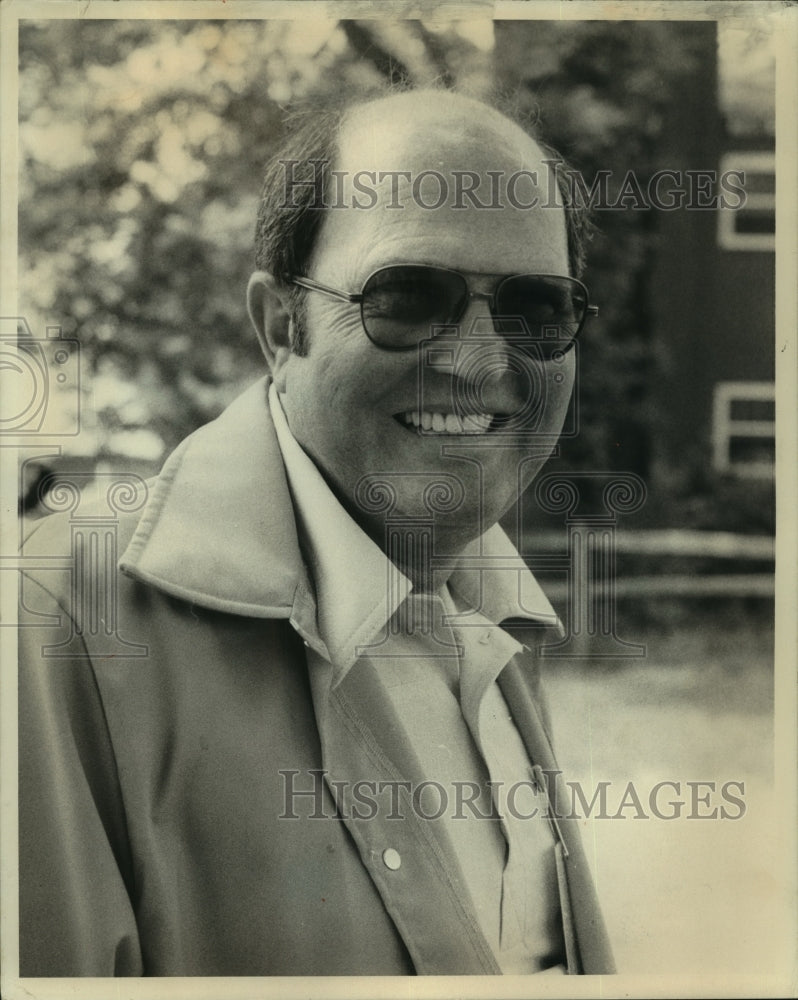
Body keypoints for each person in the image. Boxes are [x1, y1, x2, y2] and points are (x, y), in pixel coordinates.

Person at [18, 87, 614, 977]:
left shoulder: (492, 616)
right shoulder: (55, 628)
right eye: (408, 297)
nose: (483, 359)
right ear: (277, 324)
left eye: (537, 308)